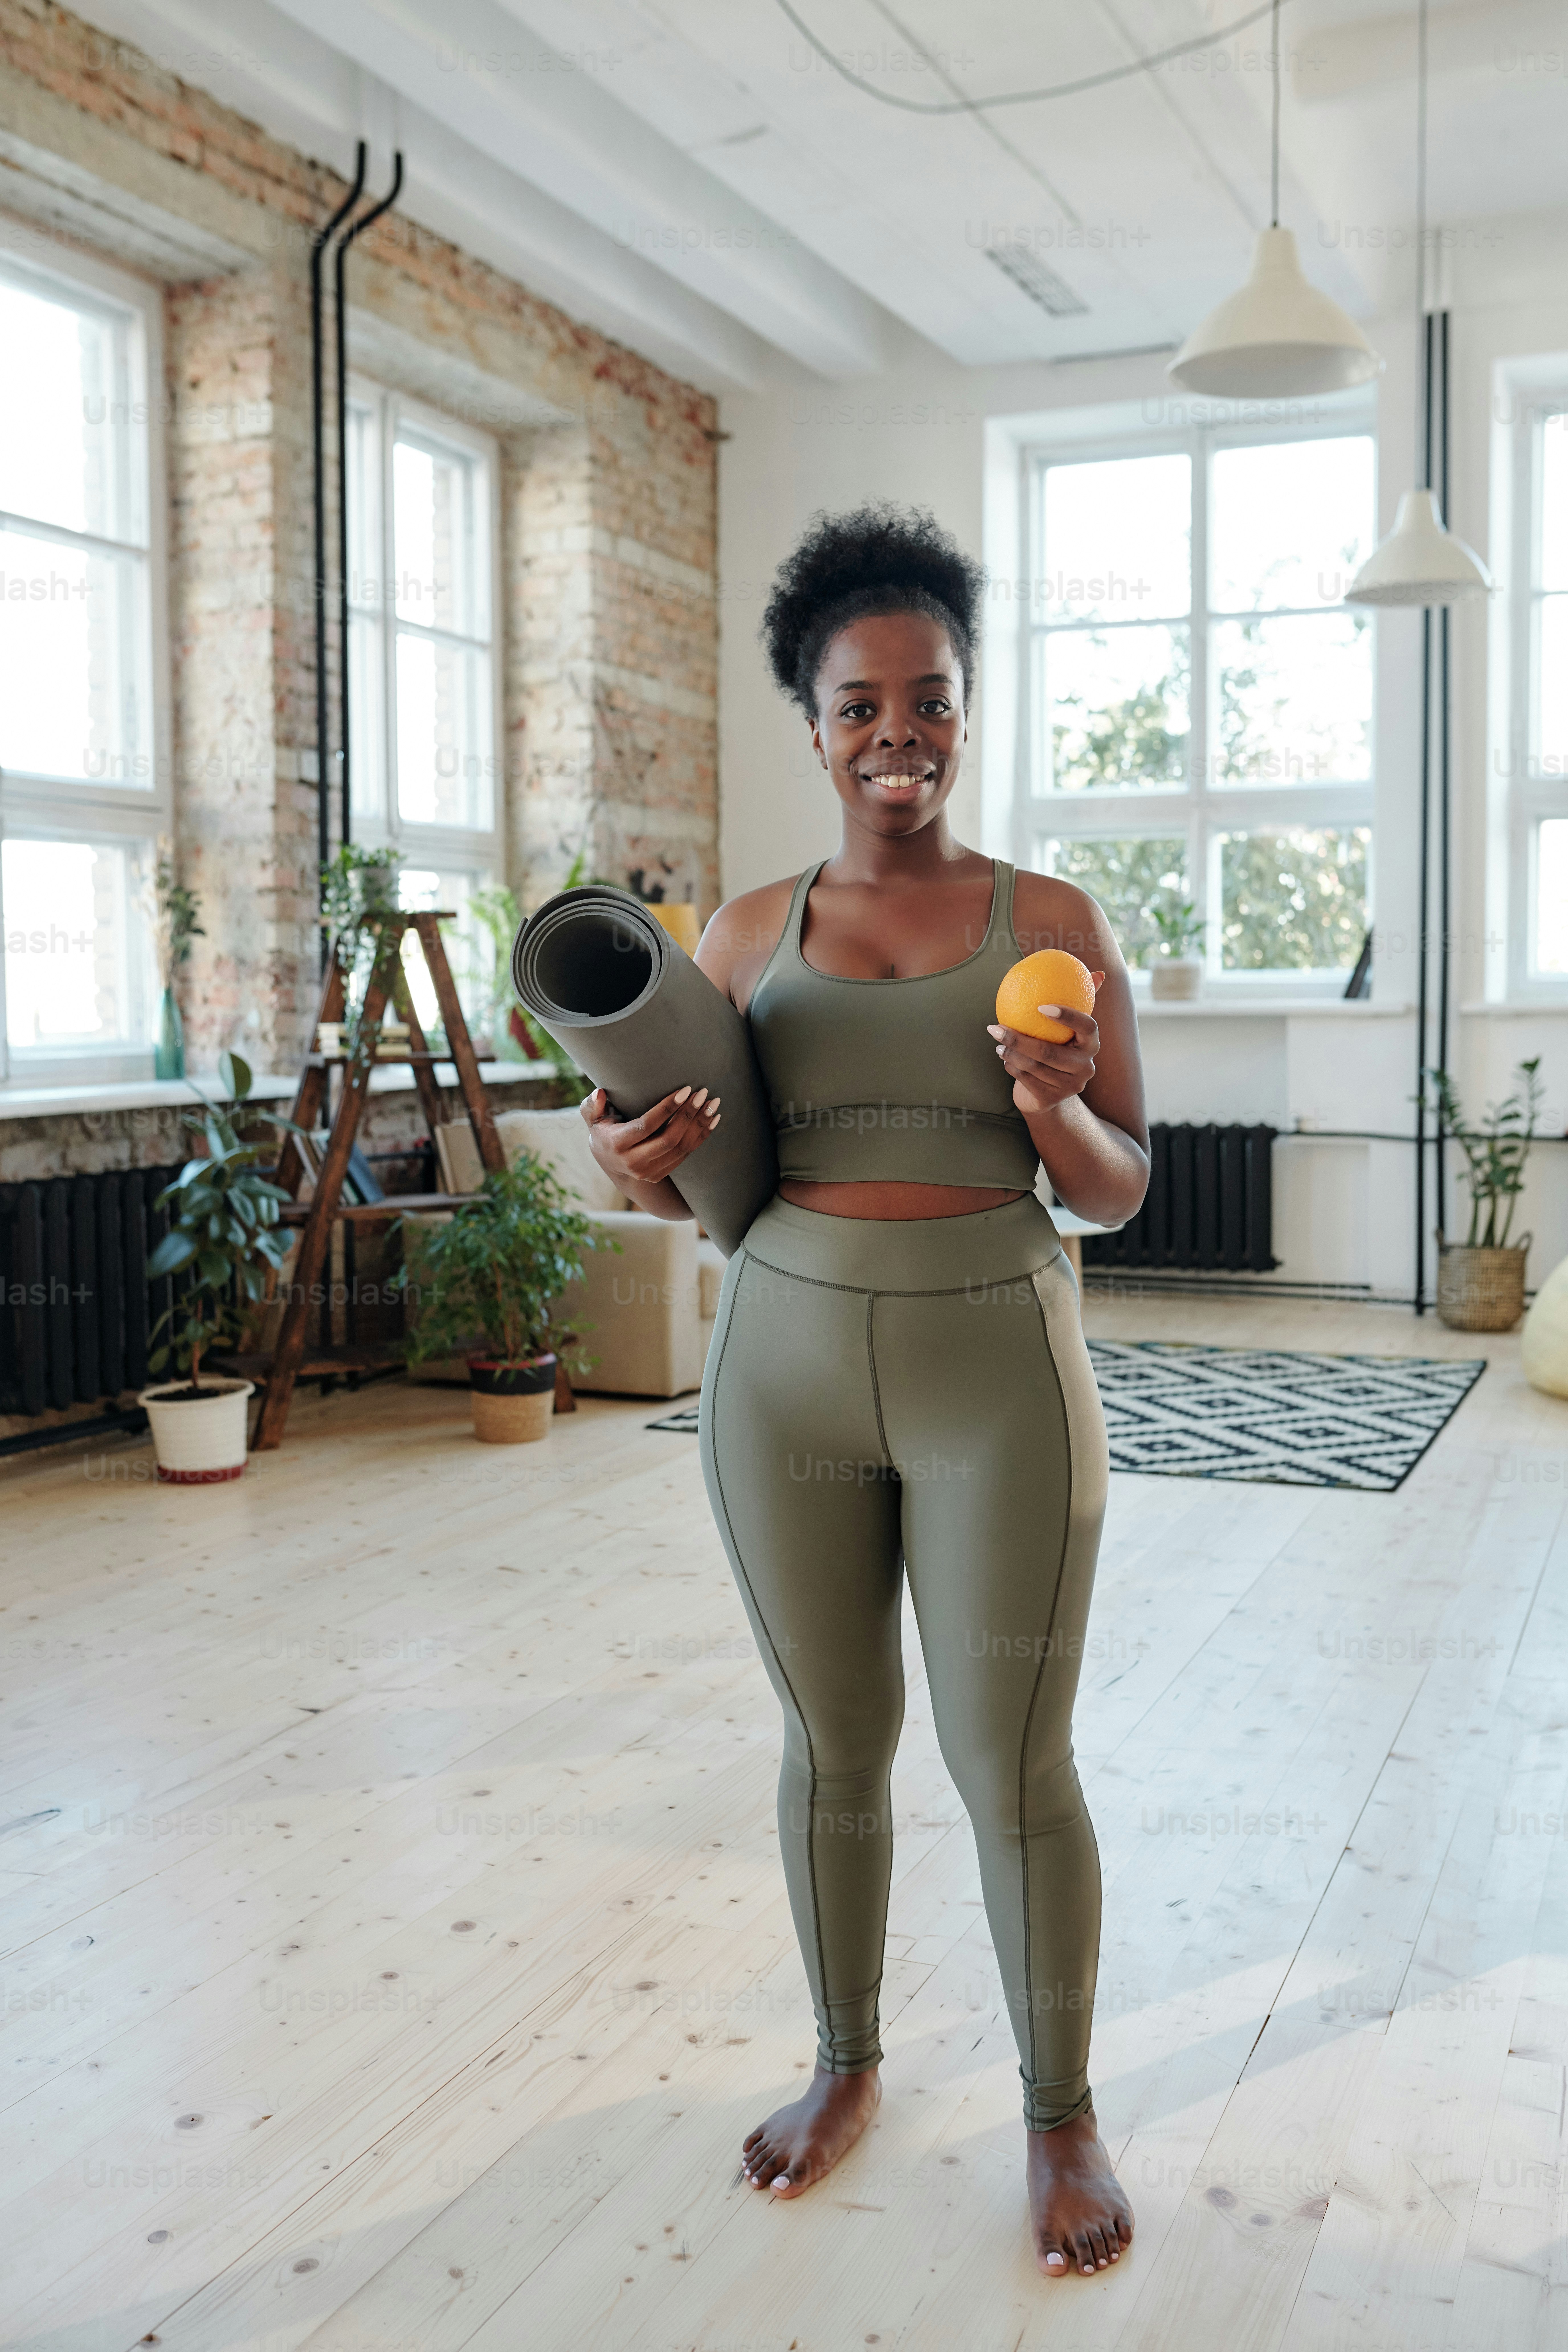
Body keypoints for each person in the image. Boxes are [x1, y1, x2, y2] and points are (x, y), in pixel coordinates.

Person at [582, 505, 1149, 2280]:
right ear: (810, 723)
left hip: (1001, 1365)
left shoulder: (1052, 919)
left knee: (1011, 1759)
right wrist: (627, 1166)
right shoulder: (745, 936)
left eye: (931, 699)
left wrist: (1053, 1102)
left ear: (967, 714)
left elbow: (1126, 1185)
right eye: (858, 704)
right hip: (787, 1377)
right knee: (833, 1745)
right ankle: (846, 2069)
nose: (896, 731)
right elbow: (690, 1172)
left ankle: (1060, 2111)